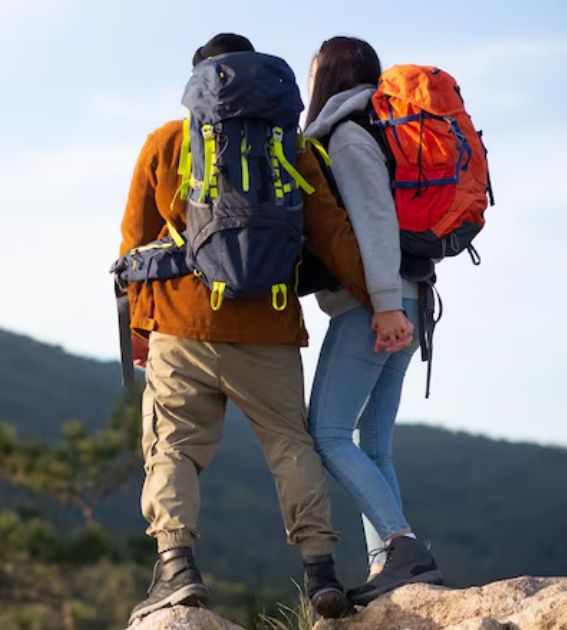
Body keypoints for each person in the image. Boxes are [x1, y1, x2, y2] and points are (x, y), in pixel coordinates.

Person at [118, 33, 368, 622]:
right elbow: (330, 228)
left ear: (199, 82)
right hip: (270, 325)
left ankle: (177, 570)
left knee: (173, 445)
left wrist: (139, 327)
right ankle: (321, 573)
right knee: (290, 444)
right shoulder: (290, 143)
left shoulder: (168, 141)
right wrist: (377, 300)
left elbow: (135, 244)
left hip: (183, 325)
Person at [302, 36, 444, 606]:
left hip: (380, 306)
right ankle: (393, 564)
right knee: (373, 442)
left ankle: (401, 544)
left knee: (327, 433)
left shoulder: (349, 134)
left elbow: (376, 222)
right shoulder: (383, 130)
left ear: (328, 74)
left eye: (311, 69)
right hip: (410, 302)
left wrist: (383, 304)